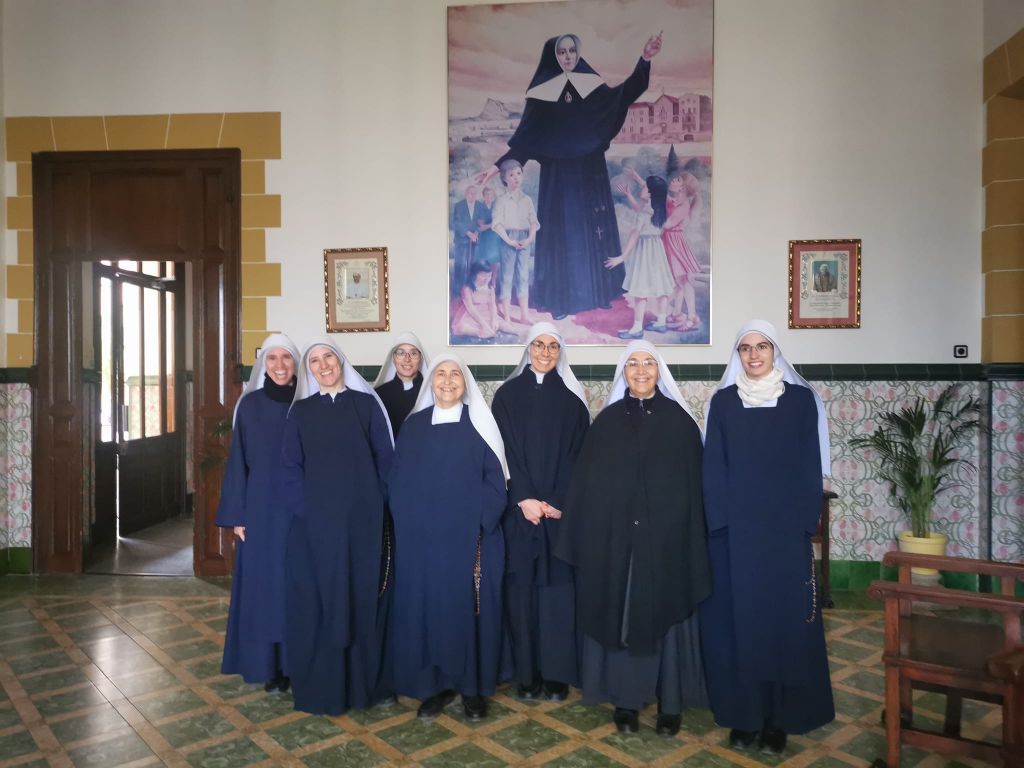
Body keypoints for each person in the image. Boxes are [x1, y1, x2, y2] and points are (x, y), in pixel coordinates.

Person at [555, 340, 710, 736]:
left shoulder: (680, 422)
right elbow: (588, 487)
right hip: (617, 544)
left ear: (660, 370)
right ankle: (626, 702)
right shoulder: (605, 423)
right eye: (633, 364)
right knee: (622, 617)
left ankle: (670, 704)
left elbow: (693, 490)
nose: (641, 371)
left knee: (667, 616)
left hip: (667, 543)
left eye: (648, 364)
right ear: (623, 372)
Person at [699, 320, 834, 755]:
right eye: (745, 348)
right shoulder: (723, 402)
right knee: (739, 628)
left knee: (783, 628)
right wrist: (719, 525)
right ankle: (745, 716)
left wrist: (801, 526)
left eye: (762, 347)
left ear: (776, 352)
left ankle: (779, 719)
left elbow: (808, 466)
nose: (754, 355)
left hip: (782, 537)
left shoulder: (800, 401)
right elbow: (713, 467)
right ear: (736, 356)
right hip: (735, 537)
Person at [476, 32, 662, 319]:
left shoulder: (591, 86)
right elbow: (526, 138)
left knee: (593, 233)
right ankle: (562, 302)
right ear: (554, 56)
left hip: (590, 172)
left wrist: (645, 59)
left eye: (571, 51)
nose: (567, 57)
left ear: (577, 53)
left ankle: (599, 293)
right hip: (559, 177)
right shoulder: (541, 94)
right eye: (561, 52)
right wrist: (495, 167)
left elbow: (624, 95)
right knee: (564, 237)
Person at [388, 354, 509, 721]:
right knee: (427, 611)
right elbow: (396, 482)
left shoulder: (480, 425)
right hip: (422, 543)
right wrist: (411, 527)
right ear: (431, 382)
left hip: (470, 542)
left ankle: (473, 690)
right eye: (440, 374)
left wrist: (476, 523)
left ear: (465, 382)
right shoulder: (414, 427)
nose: (447, 381)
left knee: (470, 613)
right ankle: (434, 686)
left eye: (455, 374)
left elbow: (496, 484)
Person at [280, 337, 394, 715]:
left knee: (361, 599)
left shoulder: (366, 406)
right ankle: (323, 689)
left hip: (363, 524)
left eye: (329, 357)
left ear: (341, 361)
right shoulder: (301, 413)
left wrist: (375, 504)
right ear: (309, 370)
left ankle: (365, 687)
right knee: (320, 602)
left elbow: (385, 460)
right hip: (315, 528)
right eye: (315, 361)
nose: (324, 365)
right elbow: (291, 469)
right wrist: (307, 511)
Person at [491, 323, 590, 701]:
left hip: (558, 515)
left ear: (560, 351)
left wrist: (555, 502)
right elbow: (503, 452)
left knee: (557, 598)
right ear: (528, 348)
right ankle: (526, 674)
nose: (545, 352)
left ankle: (556, 676)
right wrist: (526, 498)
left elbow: (580, 458)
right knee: (521, 595)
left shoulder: (573, 401)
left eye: (552, 346)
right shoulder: (506, 396)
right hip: (520, 512)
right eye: (538, 345)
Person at [216, 334, 300, 693]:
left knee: (298, 588)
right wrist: (238, 516)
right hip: (261, 511)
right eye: (272, 359)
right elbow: (238, 465)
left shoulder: (308, 402)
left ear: (296, 363)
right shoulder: (249, 406)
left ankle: (299, 663)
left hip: (301, 510)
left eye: (286, 359)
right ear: (263, 364)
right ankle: (270, 667)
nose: (280, 366)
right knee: (266, 590)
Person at [604, 176, 675, 338]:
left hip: (645, 252)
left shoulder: (643, 215)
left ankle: (637, 328)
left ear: (650, 194)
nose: (641, 188)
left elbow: (634, 235)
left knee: (640, 291)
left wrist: (623, 256)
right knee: (662, 288)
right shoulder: (660, 212)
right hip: (657, 252)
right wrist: (629, 196)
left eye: (644, 187)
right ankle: (661, 322)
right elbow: (641, 213)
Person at [491, 159, 539, 325]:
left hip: (525, 239)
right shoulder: (501, 200)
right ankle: (507, 315)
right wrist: (509, 241)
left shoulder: (527, 200)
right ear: (504, 178)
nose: (516, 178)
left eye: (518, 174)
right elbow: (496, 224)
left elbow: (534, 221)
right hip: (507, 239)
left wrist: (529, 239)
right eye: (511, 175)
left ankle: (524, 314)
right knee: (507, 277)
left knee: (523, 276)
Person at [662, 170, 703, 332]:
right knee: (678, 282)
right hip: (670, 240)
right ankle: (677, 313)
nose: (672, 180)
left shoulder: (684, 205)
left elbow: (668, 224)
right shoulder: (677, 201)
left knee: (683, 280)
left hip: (674, 242)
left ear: (682, 188)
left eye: (677, 180)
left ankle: (692, 316)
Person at [373, 333, 430, 438]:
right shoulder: (379, 395)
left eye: (413, 353)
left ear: (420, 358)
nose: (407, 359)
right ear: (393, 358)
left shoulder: (432, 392)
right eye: (401, 353)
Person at [451, 261, 519, 340]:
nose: (487, 279)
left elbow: (492, 305)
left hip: (486, 313)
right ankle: (479, 332)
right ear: (474, 274)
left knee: (500, 323)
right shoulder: (467, 289)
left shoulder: (490, 288)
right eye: (483, 276)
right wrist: (484, 325)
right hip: (471, 316)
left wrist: (493, 319)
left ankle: (516, 331)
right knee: (462, 327)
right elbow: (471, 310)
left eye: (489, 276)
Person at [451, 184, 486, 294]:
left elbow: (482, 222)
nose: (473, 196)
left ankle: (472, 290)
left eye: (475, 194)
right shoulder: (459, 205)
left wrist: (476, 233)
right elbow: (456, 223)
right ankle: (457, 291)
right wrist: (468, 233)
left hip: (475, 241)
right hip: (461, 241)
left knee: (474, 266)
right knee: (460, 266)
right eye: (471, 193)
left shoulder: (480, 206)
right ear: (466, 194)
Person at [476, 186, 502, 284]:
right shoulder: (479, 208)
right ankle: (483, 284)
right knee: (483, 261)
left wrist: (494, 225)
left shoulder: (497, 207)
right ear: (483, 196)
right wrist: (492, 224)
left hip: (495, 238)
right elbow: (480, 228)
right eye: (487, 194)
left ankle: (493, 281)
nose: (489, 196)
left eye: (491, 194)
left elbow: (501, 223)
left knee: (494, 260)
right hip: (484, 239)